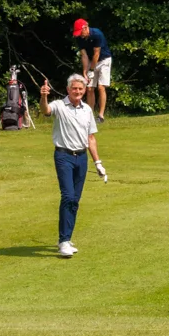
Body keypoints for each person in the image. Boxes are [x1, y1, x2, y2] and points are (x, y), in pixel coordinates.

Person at [39, 73, 108, 257]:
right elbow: (46, 111)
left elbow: (91, 138)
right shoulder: (60, 106)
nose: (77, 91)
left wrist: (98, 163)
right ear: (68, 89)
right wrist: (44, 96)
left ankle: (67, 238)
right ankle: (63, 242)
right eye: (74, 88)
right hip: (64, 156)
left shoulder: (87, 110)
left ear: (84, 91)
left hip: (82, 158)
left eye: (80, 89)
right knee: (68, 196)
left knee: (75, 200)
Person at [73, 18, 113, 120]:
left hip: (104, 60)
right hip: (91, 62)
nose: (80, 35)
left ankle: (100, 115)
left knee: (101, 87)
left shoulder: (97, 34)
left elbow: (96, 54)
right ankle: (89, 115)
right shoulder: (79, 38)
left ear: (86, 28)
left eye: (81, 32)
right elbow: (84, 55)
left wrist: (91, 70)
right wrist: (85, 71)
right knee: (90, 88)